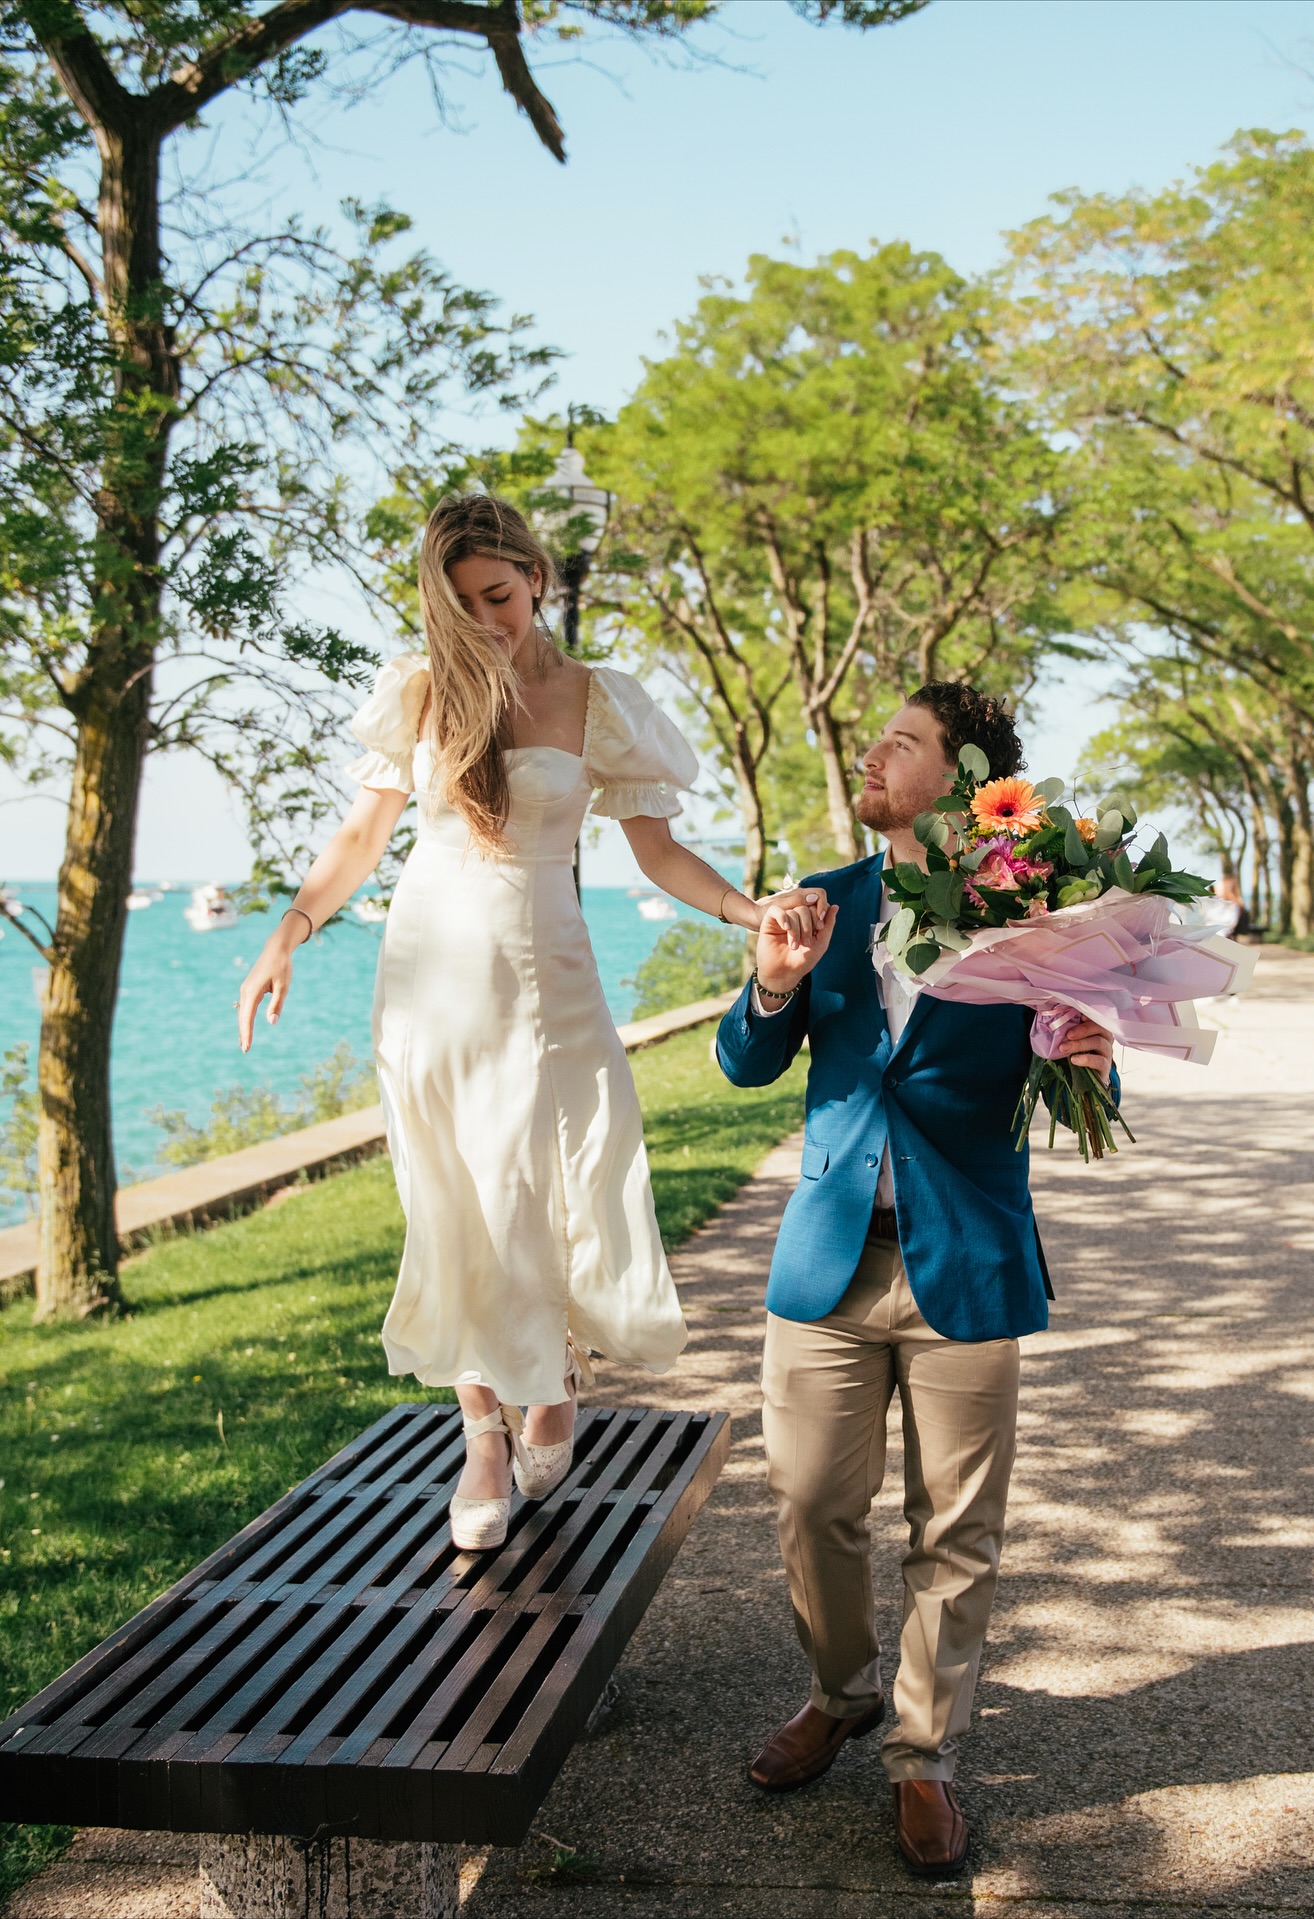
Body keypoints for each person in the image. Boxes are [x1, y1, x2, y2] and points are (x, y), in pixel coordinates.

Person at [237, 492, 826, 1553]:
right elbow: (362, 835)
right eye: (462, 603)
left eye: (499, 595)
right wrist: (288, 930)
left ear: (538, 578)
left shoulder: (599, 699)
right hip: (426, 979)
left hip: (546, 974)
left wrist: (751, 910)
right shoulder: (420, 695)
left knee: (552, 1178)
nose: (486, 620)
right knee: (453, 1194)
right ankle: (481, 1435)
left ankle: (551, 1373)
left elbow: (656, 852)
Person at [716, 683, 1117, 1878]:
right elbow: (744, 1060)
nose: (872, 751)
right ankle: (839, 1694)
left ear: (961, 777)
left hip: (968, 1255)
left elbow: (1077, 1082)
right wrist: (774, 982)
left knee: (958, 1530)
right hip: (830, 1261)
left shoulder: (1031, 919)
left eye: (902, 740)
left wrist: (1089, 1057)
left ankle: (924, 1754)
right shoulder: (820, 901)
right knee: (808, 1503)